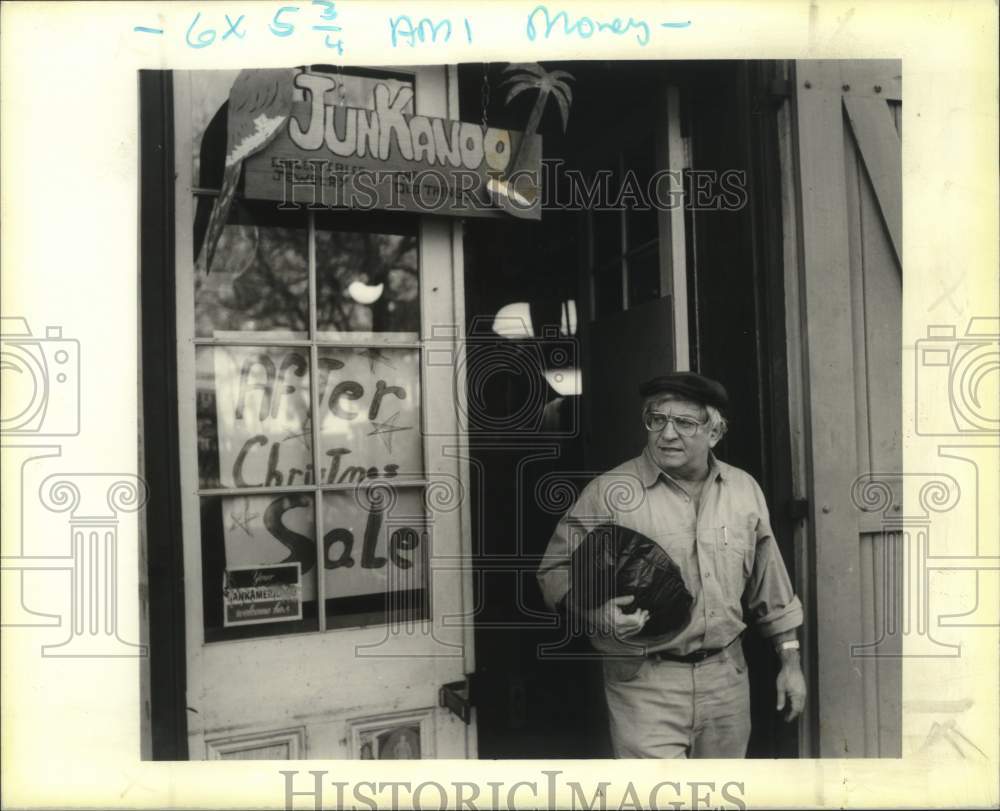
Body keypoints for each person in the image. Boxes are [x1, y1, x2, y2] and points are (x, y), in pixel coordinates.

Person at [537, 371, 807, 758]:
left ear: (714, 433)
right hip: (646, 685)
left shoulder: (744, 490)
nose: (666, 434)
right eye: (656, 419)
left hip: (726, 682)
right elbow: (553, 570)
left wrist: (791, 664)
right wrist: (594, 613)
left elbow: (773, 590)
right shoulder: (609, 492)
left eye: (684, 422)